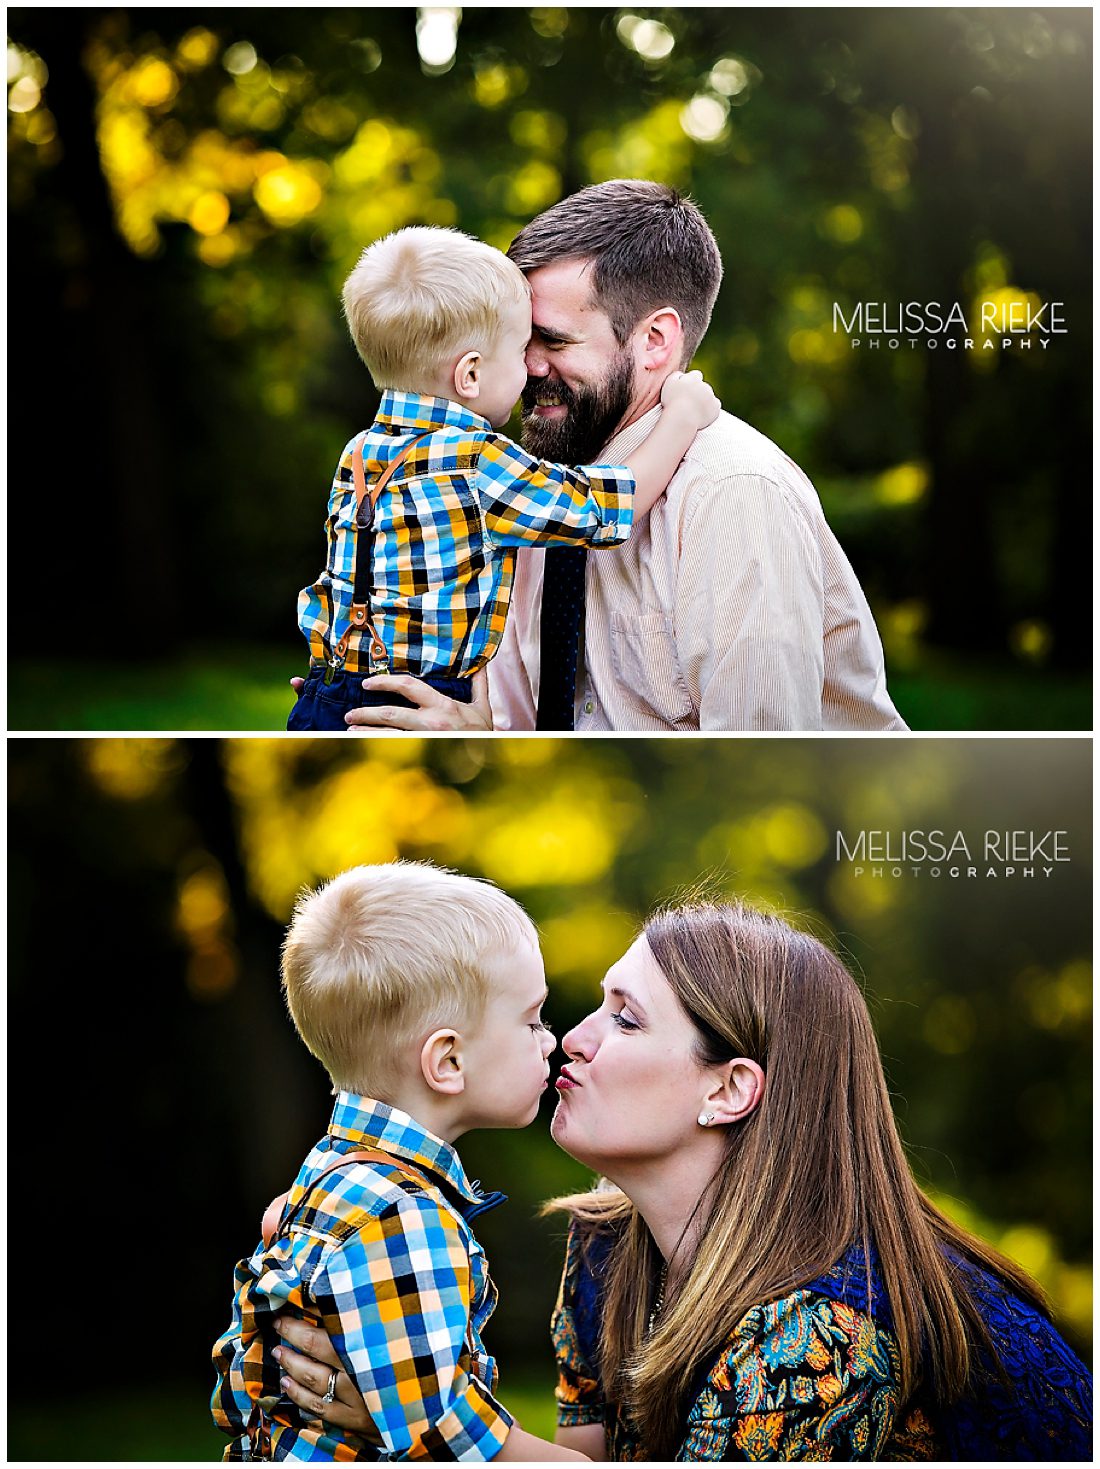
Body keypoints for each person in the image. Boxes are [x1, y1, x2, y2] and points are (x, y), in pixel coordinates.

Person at [273, 900, 1090, 1460]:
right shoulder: (604, 1249)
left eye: (625, 1018)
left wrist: (425, 1431)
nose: (572, 1039)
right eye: (595, 1005)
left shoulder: (822, 1335)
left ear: (728, 1088)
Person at [337, 181, 909, 733]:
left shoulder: (733, 489)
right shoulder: (515, 491)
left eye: (553, 341)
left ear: (655, 341)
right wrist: (472, 734)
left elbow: (759, 757)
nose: (527, 367)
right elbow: (523, 727)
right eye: (517, 342)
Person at [211, 861, 587, 1461]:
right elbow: (443, 1438)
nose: (551, 1040)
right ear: (448, 1062)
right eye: (531, 1020)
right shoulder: (403, 1215)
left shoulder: (330, 1177)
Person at [289, 224, 719, 730]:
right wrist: (681, 418)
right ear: (469, 374)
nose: (532, 368)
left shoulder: (360, 453)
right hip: (422, 703)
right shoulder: (476, 460)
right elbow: (603, 509)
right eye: (519, 352)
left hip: (328, 689)